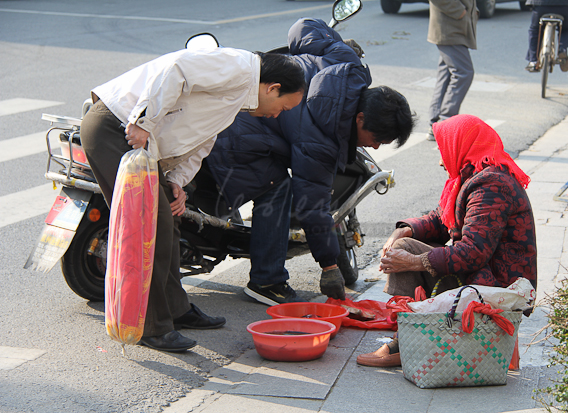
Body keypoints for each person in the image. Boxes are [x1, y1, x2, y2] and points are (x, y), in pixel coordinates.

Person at [80, 46, 306, 352]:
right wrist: (144, 120)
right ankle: (151, 327)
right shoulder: (241, 68)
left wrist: (176, 181)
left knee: (170, 221)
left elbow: (203, 139)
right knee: (151, 230)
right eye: (283, 107)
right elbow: (176, 69)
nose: (277, 115)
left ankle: (176, 309)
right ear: (272, 88)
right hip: (117, 127)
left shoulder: (241, 95)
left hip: (136, 137)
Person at [205, 18, 416, 306]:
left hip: (232, 103)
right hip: (232, 132)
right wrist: (329, 267)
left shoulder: (344, 61)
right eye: (376, 138)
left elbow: (302, 28)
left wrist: (336, 42)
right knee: (277, 188)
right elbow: (313, 208)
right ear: (360, 118)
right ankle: (267, 281)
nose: (376, 146)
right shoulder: (321, 140)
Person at [357, 114, 537, 367]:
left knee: (405, 251)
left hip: (495, 287)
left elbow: (472, 252)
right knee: (405, 243)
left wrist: (414, 262)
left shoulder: (491, 185)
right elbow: (443, 220)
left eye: (444, 150)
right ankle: (408, 331)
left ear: (461, 145)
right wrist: (405, 229)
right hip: (483, 276)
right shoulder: (473, 176)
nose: (442, 161)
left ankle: (405, 342)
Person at [425, 0, 478, 142]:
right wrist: (460, 11)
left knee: (447, 73)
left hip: (455, 26)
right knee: (463, 73)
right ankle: (445, 123)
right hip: (450, 27)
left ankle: (436, 125)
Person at [524, 0, 568, 73]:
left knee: (535, 30)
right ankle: (562, 49)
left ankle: (533, 61)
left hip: (541, 6)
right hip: (565, 6)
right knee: (567, 29)